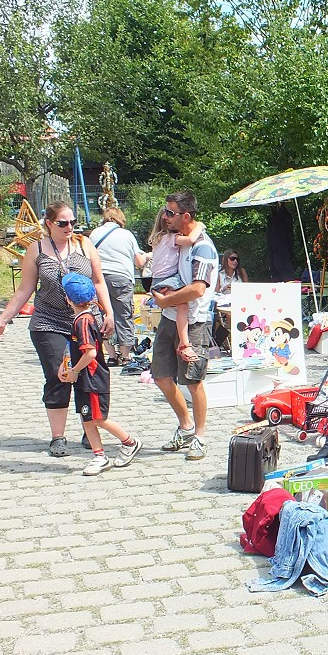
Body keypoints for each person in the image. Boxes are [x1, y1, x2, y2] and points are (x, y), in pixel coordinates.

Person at [0, 202, 115, 457]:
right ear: (49, 224)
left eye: (72, 222)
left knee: (89, 377)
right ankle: (58, 436)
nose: (69, 227)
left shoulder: (84, 245)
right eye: (63, 223)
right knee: (60, 375)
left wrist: (109, 312)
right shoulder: (37, 250)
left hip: (83, 321)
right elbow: (25, 289)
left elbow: (99, 281)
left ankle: (90, 430)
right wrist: (2, 320)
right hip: (48, 322)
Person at [149, 192, 219, 461]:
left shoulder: (203, 247)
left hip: (194, 323)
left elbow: (198, 289)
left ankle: (200, 436)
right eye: (165, 212)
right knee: (161, 376)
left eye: (170, 213)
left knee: (194, 381)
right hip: (169, 319)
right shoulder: (181, 240)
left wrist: (166, 299)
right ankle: (186, 425)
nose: (165, 217)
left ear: (185, 216)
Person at [58, 273, 143, 476]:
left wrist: (75, 371)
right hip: (83, 377)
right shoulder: (81, 318)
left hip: (92, 378)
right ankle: (99, 456)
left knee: (98, 418)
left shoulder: (83, 321)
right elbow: (74, 347)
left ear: (68, 299)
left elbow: (90, 352)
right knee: (87, 417)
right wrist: (66, 366)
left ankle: (130, 442)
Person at [88, 207, 147, 366]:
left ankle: (112, 356)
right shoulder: (126, 234)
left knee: (103, 315)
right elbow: (139, 262)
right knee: (124, 316)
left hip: (98, 278)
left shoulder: (94, 234)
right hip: (121, 278)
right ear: (121, 219)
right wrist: (147, 257)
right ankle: (126, 356)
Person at [148, 207, 207, 363]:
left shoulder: (157, 239)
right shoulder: (169, 238)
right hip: (167, 279)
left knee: (179, 306)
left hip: (157, 279)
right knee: (183, 307)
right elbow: (190, 240)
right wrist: (199, 226)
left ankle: (183, 342)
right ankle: (185, 343)